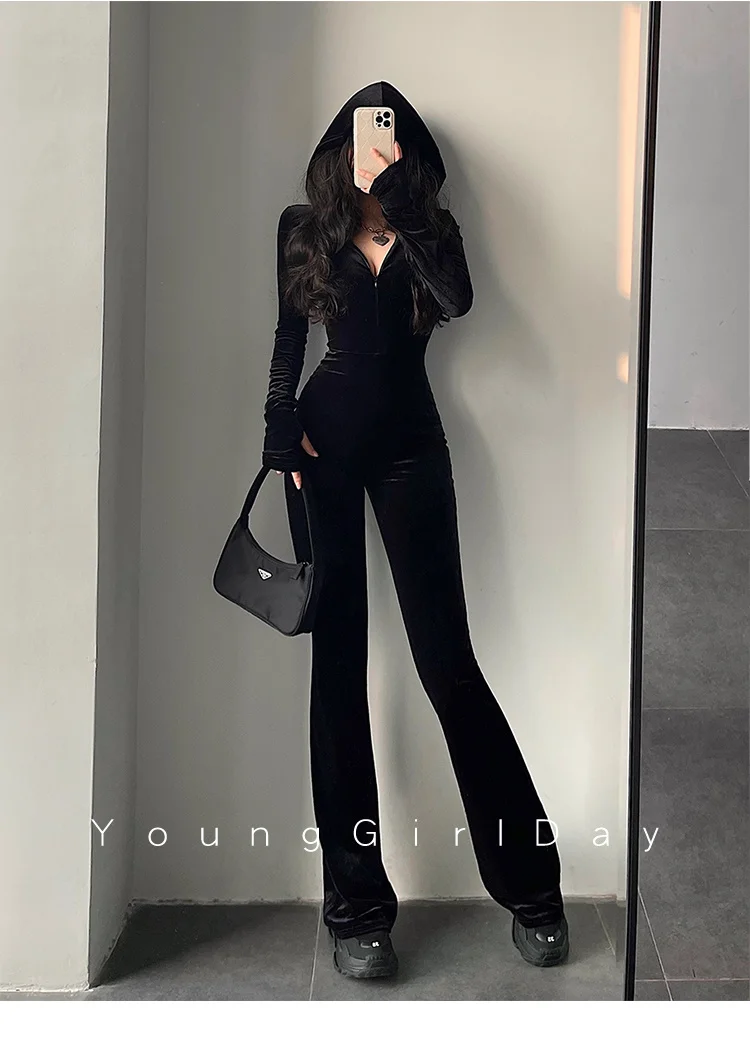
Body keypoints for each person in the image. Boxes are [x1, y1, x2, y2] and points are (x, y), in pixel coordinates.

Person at [261, 81, 569, 980]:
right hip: (320, 453)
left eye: (390, 140)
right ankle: (357, 912)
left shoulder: (433, 231)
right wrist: (278, 421)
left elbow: (459, 301)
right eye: (365, 138)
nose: (376, 148)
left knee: (449, 665)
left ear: (407, 153)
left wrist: (397, 199)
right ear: (340, 147)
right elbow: (287, 342)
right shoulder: (302, 228)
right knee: (338, 671)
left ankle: (533, 889)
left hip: (413, 453)